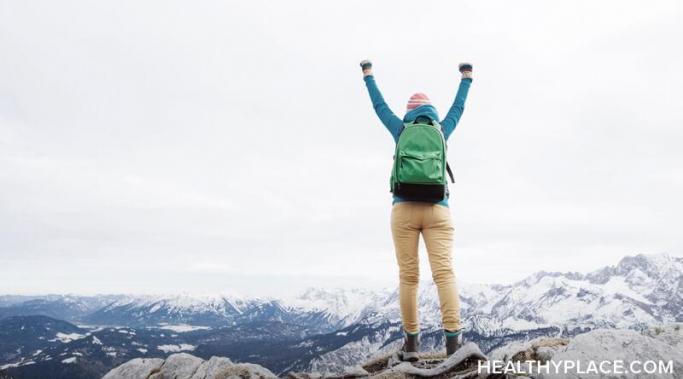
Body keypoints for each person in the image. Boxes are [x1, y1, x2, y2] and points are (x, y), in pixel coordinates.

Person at [359, 59, 473, 361]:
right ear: (431, 113)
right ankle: (453, 345)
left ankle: (411, 346)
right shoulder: (442, 129)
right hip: (438, 209)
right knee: (444, 275)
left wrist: (368, 75)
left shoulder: (400, 129)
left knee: (408, 277)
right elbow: (458, 108)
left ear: (409, 113)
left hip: (404, 209)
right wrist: (466, 78)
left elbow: (379, 106)